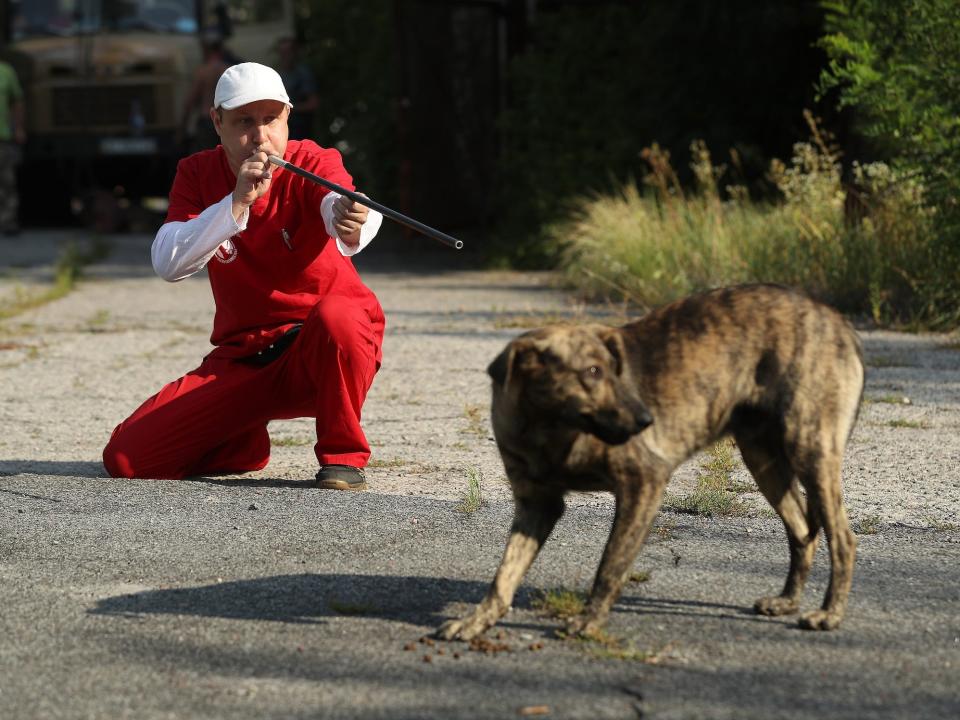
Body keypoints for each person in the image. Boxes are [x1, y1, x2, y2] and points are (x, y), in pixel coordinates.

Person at [103, 62, 384, 491]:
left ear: (288, 117)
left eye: (271, 120)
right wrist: (235, 205)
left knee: (339, 317)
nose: (260, 136)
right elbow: (168, 262)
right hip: (244, 358)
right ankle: (242, 443)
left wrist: (351, 215)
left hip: (319, 350)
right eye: (244, 122)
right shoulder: (196, 173)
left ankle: (342, 458)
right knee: (126, 458)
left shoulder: (314, 160)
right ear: (216, 122)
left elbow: (340, 202)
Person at [178, 36, 231, 153]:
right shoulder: (228, 71)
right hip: (226, 121)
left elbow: (190, 102)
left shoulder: (203, 71)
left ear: (206, 49)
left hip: (207, 121)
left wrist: (182, 128)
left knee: (206, 160)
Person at [0, 60, 26, 235]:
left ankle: (8, 222)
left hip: (2, 137)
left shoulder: (6, 71)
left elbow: (17, 102)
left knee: (7, 181)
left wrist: (18, 128)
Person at [276, 37, 319, 140]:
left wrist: (289, 108)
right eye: (282, 53)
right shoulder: (278, 74)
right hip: (282, 127)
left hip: (300, 127)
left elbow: (313, 103)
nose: (285, 56)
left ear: (295, 53)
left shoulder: (303, 74)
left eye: (288, 52)